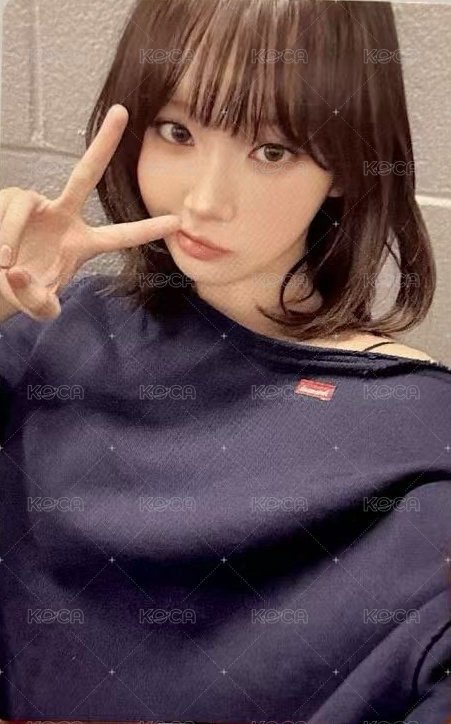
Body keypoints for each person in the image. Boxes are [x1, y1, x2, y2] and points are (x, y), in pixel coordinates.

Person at [0, 0, 450, 722]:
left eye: (271, 150)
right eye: (177, 131)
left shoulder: (416, 444)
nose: (205, 201)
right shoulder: (55, 332)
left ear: (344, 165)